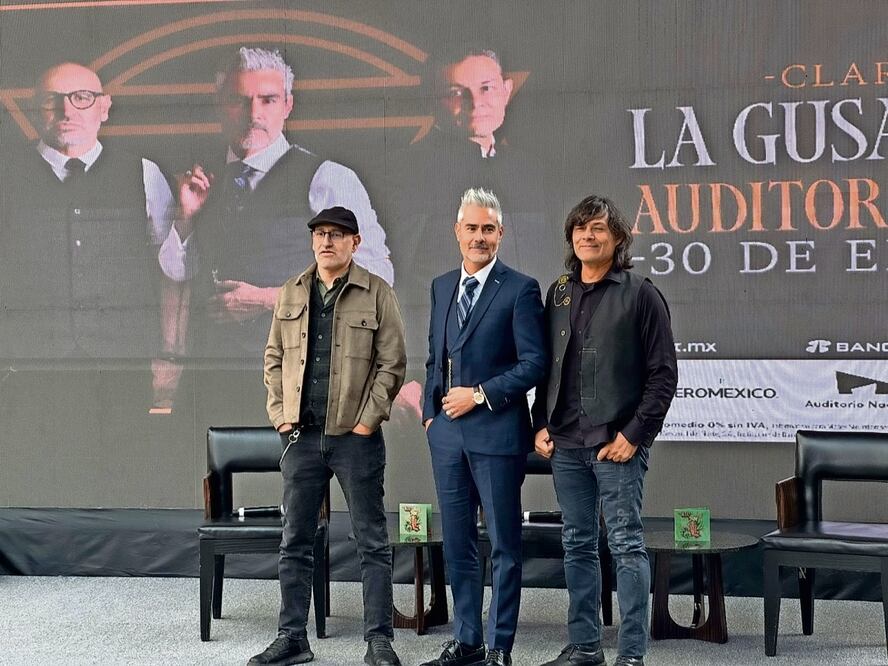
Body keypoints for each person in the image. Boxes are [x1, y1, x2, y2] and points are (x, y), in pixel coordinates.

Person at [162, 46, 393, 357]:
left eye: (267, 100)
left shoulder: (327, 178)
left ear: (287, 105)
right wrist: (186, 219)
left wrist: (269, 299)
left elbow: (374, 279)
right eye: (238, 101)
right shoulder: (202, 182)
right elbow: (180, 275)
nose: (253, 114)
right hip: (211, 374)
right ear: (220, 107)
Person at [531, 196, 678, 666]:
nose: (586, 236)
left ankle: (631, 654)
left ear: (617, 238)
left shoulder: (641, 294)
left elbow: (663, 376)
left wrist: (634, 435)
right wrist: (539, 424)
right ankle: (585, 646)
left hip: (616, 444)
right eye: (579, 228)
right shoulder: (557, 292)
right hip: (566, 443)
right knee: (576, 542)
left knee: (626, 545)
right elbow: (543, 369)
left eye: (597, 228)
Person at [257, 206, 406, 666]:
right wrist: (282, 417)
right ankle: (293, 639)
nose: (327, 242)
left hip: (354, 440)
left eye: (338, 235)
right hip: (301, 439)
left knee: (371, 542)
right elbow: (274, 358)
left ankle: (379, 642)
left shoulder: (376, 293)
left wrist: (366, 422)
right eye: (320, 234)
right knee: (295, 541)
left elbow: (392, 364)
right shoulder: (291, 292)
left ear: (355, 243)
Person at [421, 188, 546, 666]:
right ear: (457, 232)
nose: (479, 237)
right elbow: (436, 356)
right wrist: (433, 414)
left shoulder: (520, 289)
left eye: (488, 229)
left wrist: (479, 394)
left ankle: (499, 647)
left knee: (504, 547)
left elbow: (534, 364)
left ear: (500, 234)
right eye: (471, 228)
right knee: (457, 546)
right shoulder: (439, 286)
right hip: (447, 438)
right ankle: (468, 640)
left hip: (497, 436)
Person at [0, 61, 177, 360]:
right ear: (34, 109)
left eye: (81, 98)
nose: (66, 111)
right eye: (51, 100)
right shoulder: (5, 172)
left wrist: (170, 353)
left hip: (123, 362)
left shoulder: (145, 173)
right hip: (27, 364)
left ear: (104, 108)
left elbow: (171, 272)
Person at [437, 48, 514, 158]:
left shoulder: (530, 168)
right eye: (456, 93)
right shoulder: (412, 168)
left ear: (506, 91)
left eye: (486, 88)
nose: (475, 103)